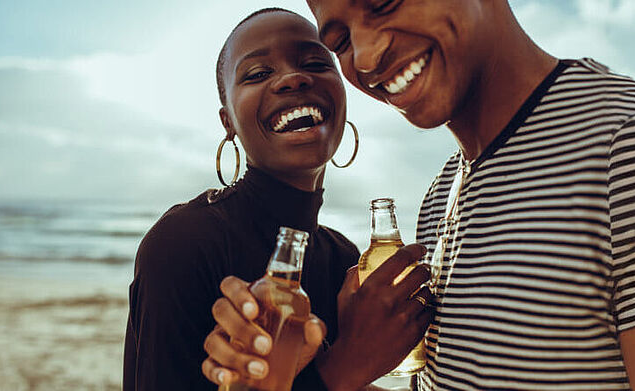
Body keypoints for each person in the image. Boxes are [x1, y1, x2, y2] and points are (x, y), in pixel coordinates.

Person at [203, 0, 635, 390]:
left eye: (384, 2)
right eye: (342, 40)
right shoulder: (443, 189)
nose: (368, 57)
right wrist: (310, 374)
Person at [123, 8, 432, 390]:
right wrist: (344, 366)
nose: (292, 78)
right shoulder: (183, 243)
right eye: (257, 74)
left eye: (316, 62)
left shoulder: (343, 260)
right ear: (228, 122)